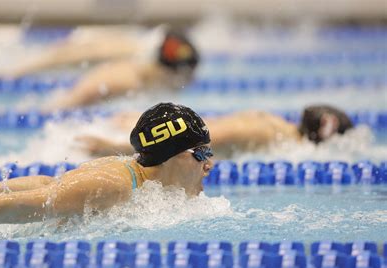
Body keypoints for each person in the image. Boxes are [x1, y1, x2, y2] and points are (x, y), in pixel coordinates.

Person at [0, 102, 214, 234]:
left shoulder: (131, 174)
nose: (210, 164)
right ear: (174, 155)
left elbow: (49, 184)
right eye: (202, 153)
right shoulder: (115, 185)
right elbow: (23, 205)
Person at [78, 104, 354, 158]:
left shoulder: (275, 124)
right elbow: (215, 133)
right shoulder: (265, 133)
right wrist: (118, 147)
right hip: (148, 143)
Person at [38, 28, 200, 111]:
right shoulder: (127, 81)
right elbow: (72, 100)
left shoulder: (140, 70)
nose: (183, 83)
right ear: (168, 72)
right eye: (183, 78)